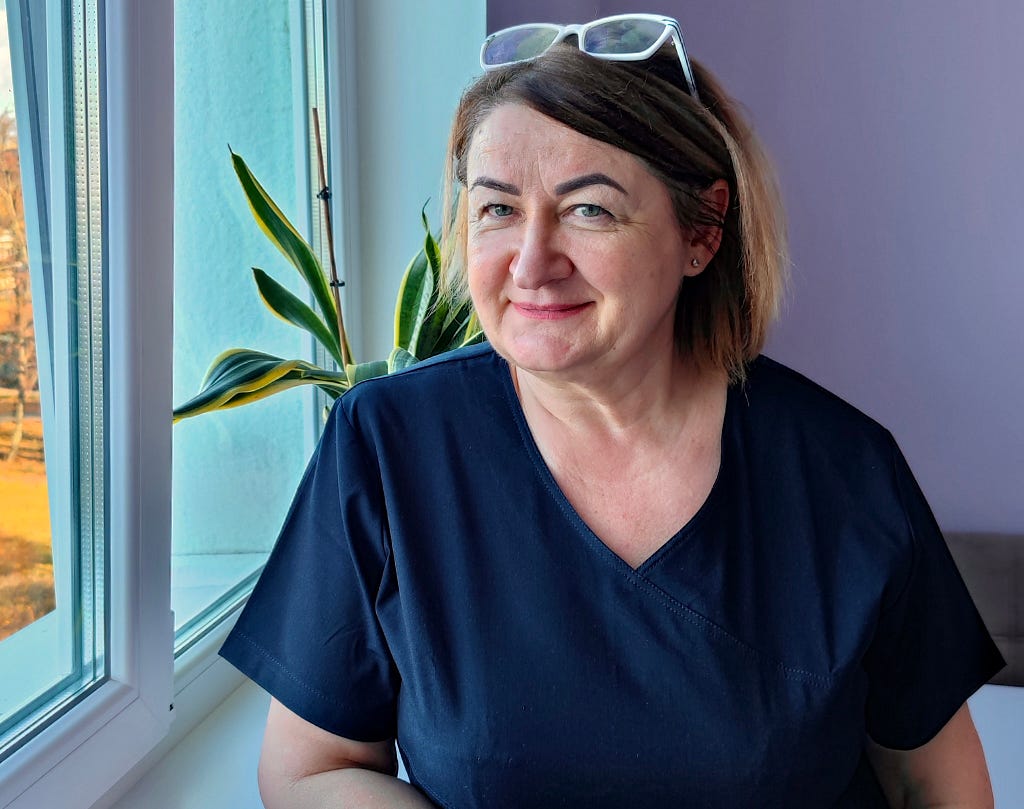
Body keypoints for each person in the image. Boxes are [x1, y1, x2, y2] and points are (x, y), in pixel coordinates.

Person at [220, 14, 1005, 808]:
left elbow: (934, 781)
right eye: (496, 209)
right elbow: (310, 767)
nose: (531, 263)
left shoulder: (845, 474)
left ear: (701, 230)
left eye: (589, 210)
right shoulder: (388, 447)